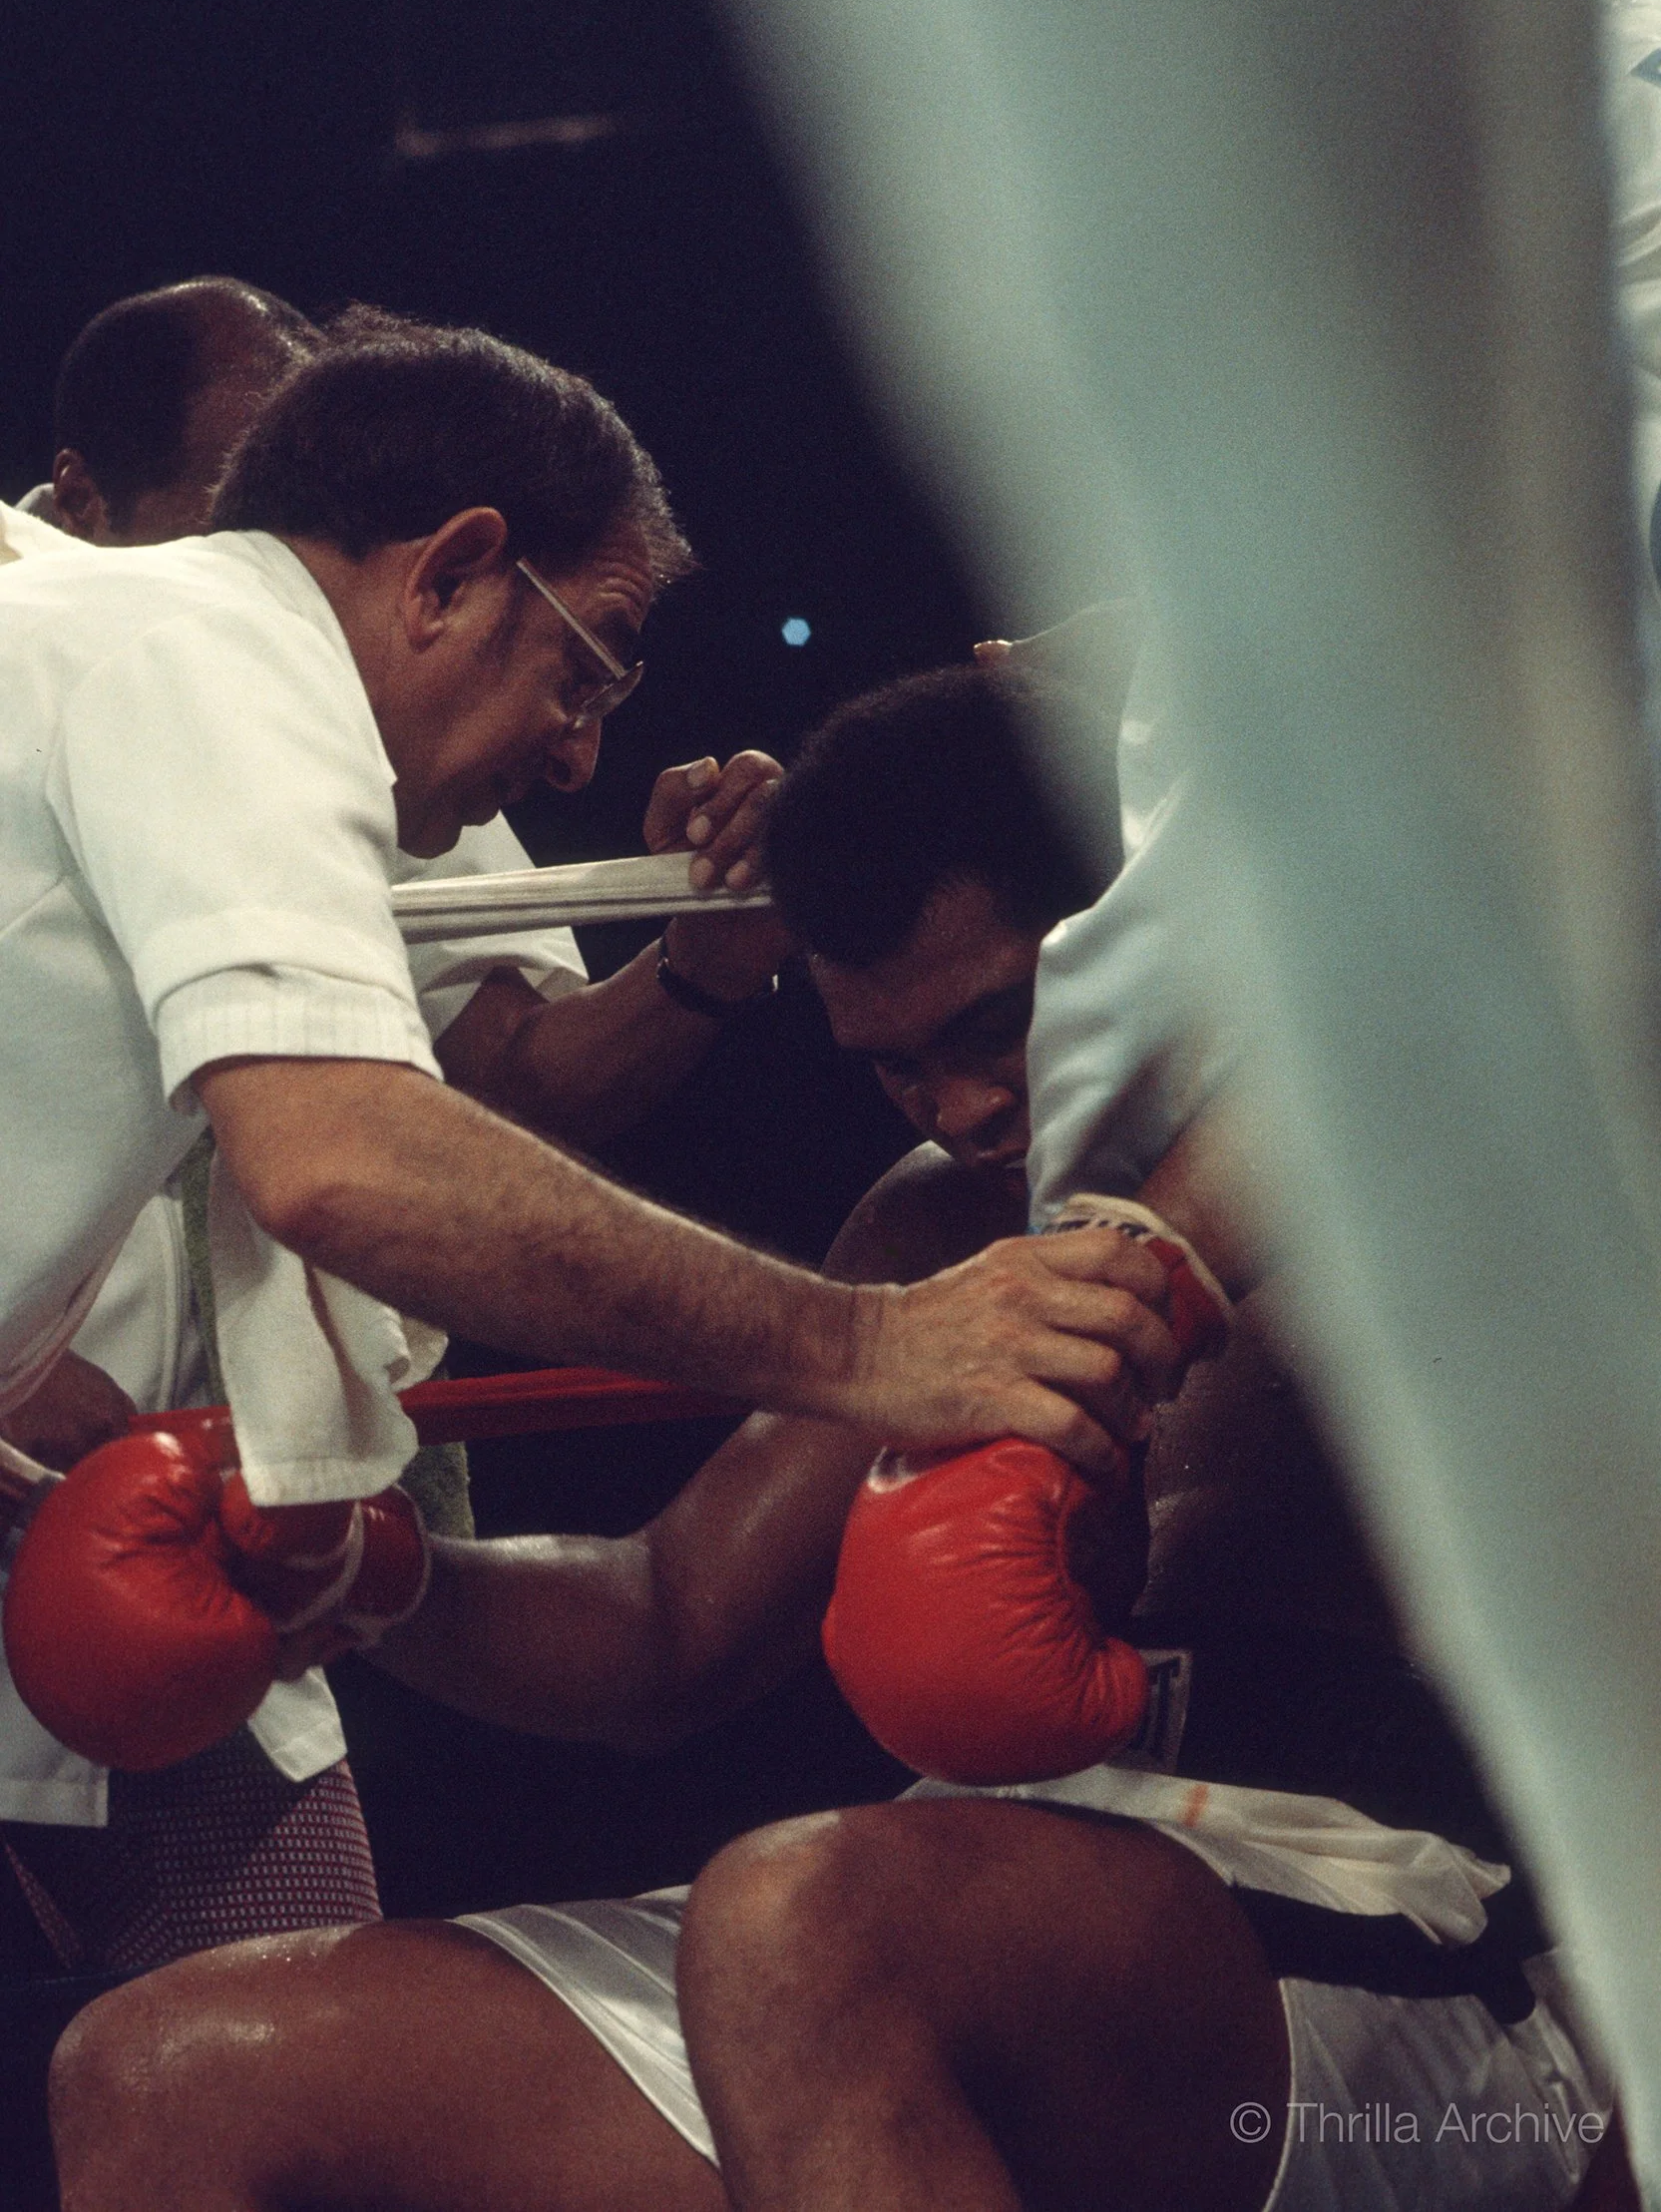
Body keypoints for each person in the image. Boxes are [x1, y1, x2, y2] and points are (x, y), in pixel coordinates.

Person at [46, 662, 1612, 2212]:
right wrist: (360, 1575)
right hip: (928, 1933)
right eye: (895, 1063)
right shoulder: (931, 1234)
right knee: (162, 2071)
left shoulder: (1427, 1153)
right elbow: (665, 1626)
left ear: (1144, 927)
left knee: (802, 1911)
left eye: (994, 1025)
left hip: (1388, 1933)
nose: (959, 1107)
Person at [0, 280, 792, 1975]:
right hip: (90, 1482)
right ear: (443, 573)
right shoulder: (207, 659)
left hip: (100, 1493)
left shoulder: (204, 684)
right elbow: (345, 1155)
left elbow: (481, 1083)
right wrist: (873, 1343)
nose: (584, 756)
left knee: (246, 2057)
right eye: (581, 671)